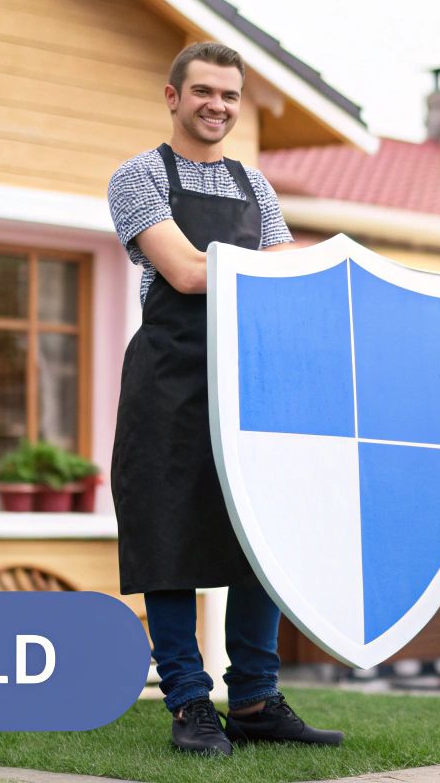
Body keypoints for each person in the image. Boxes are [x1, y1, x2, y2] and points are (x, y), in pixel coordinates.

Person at [106, 41, 345, 756]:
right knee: (169, 536)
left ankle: (256, 699)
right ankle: (188, 702)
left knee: (258, 534)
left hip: (249, 376)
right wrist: (279, 265)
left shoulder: (257, 187)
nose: (217, 105)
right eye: (204, 91)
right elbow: (182, 271)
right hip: (170, 379)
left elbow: (287, 278)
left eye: (230, 96)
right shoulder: (137, 177)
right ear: (173, 96)